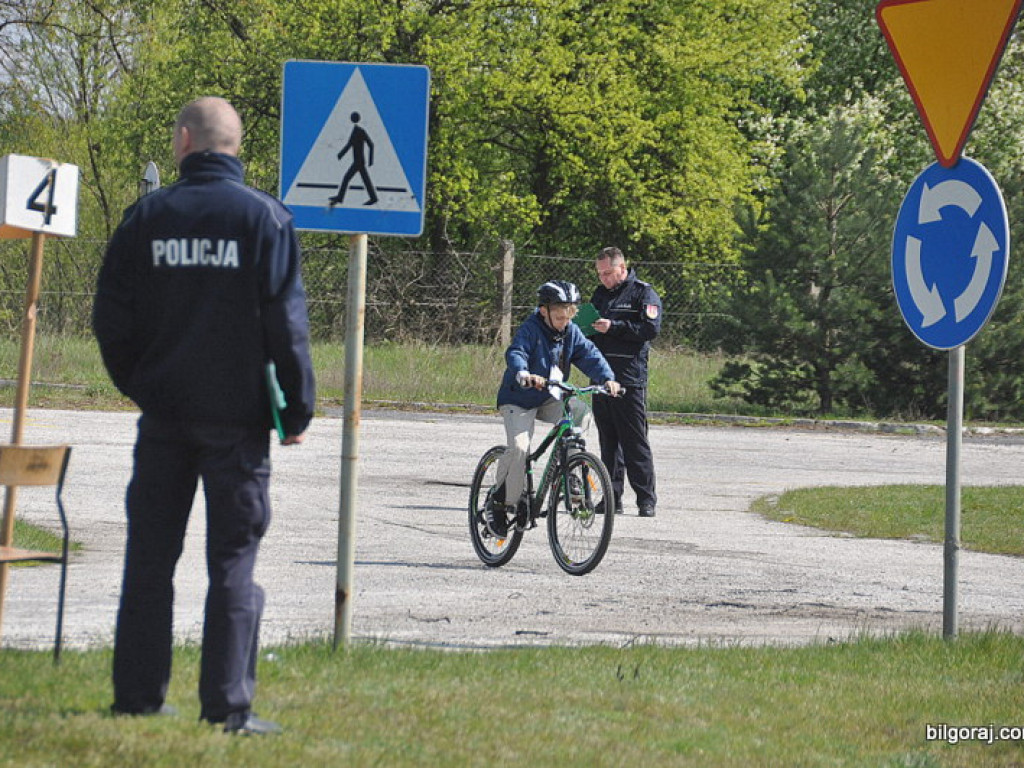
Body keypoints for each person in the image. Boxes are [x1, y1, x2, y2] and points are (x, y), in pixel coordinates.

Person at [93, 96, 316, 736]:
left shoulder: (146, 218)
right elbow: (287, 326)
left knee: (149, 559)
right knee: (233, 563)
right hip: (238, 426)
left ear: (186, 141)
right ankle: (227, 707)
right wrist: (294, 409)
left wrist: (141, 385)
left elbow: (111, 318)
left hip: (162, 420)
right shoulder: (265, 220)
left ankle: (136, 697)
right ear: (234, 148)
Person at [489, 281, 621, 536]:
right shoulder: (530, 329)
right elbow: (516, 352)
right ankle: (499, 502)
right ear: (543, 310)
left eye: (569, 316)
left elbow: (589, 354)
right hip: (520, 398)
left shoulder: (569, 331)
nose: (564, 322)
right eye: (559, 316)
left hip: (550, 396)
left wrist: (607, 378)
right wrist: (524, 373)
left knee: (581, 412)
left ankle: (570, 468)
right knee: (519, 448)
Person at [589, 246, 662, 517]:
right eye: (600, 274)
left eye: (608, 273)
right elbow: (589, 329)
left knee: (634, 441)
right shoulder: (600, 295)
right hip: (601, 377)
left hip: (629, 378)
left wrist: (615, 327)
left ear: (622, 267)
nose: (604, 279)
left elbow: (650, 329)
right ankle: (611, 497)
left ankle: (646, 499)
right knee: (608, 442)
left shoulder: (643, 293)